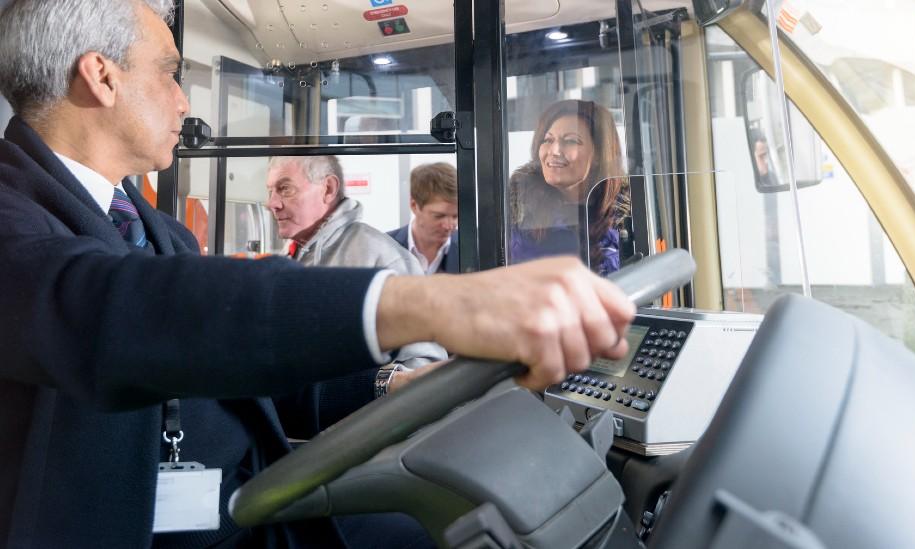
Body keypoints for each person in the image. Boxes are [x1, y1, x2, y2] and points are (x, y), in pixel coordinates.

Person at [0, 1, 635, 547]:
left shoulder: (155, 229)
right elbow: (118, 310)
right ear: (101, 77)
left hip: (261, 503)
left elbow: (247, 375)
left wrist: (396, 383)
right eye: (169, 72)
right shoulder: (15, 221)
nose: (183, 99)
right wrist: (435, 304)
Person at [266, 155, 447, 369]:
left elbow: (421, 369)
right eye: (270, 191)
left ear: (328, 189)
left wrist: (365, 390)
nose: (271, 204)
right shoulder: (294, 253)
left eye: (285, 189)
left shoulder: (383, 258)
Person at [508, 99, 630, 276]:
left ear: (599, 153)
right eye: (548, 139)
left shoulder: (629, 220)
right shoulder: (517, 215)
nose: (555, 150)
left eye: (571, 141)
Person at [388, 162, 460, 274]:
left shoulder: (474, 249)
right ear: (414, 205)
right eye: (439, 216)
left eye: (455, 216)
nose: (449, 226)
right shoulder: (384, 246)